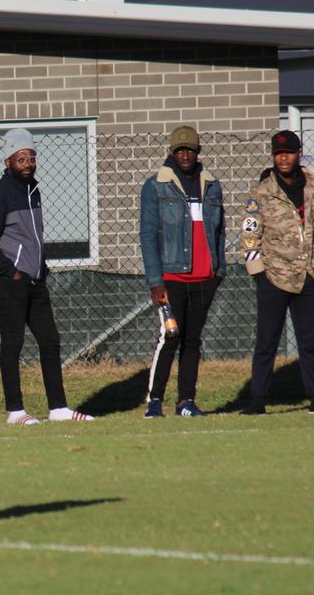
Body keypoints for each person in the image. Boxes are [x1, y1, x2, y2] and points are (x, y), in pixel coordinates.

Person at [0, 128, 92, 424]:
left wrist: (38, 268)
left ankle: (59, 409)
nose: (27, 163)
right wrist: (11, 271)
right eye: (21, 158)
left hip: (36, 280)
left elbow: (32, 237)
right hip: (10, 281)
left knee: (50, 341)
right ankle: (15, 412)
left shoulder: (33, 191)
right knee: (13, 344)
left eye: (31, 158)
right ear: (8, 161)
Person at [239, 130, 314, 415]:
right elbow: (249, 234)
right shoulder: (261, 191)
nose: (283, 158)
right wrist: (258, 272)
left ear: (299, 153)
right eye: (278, 153)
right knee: (266, 342)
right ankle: (257, 400)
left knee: (309, 341)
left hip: (311, 275)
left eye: (288, 152)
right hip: (274, 276)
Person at [138, 126, 226, 418]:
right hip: (171, 278)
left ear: (198, 152)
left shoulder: (212, 186)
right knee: (170, 337)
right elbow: (148, 236)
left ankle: (186, 401)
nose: (185, 155)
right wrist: (155, 281)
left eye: (190, 149)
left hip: (205, 278)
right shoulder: (156, 186)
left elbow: (220, 231)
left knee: (192, 341)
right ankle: (154, 402)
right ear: (172, 152)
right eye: (180, 150)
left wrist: (218, 270)